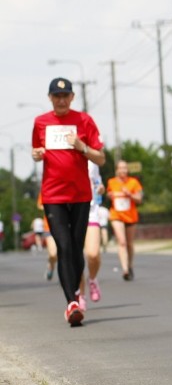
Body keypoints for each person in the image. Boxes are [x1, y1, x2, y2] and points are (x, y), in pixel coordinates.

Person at [31, 78, 106, 326]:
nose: (61, 100)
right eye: (56, 96)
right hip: (53, 195)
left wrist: (82, 146)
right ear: (50, 98)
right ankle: (71, 303)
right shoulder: (40, 122)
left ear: (72, 97)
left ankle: (75, 292)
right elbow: (36, 150)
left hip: (81, 194)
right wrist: (36, 154)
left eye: (65, 96)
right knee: (63, 246)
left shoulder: (84, 121)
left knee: (75, 247)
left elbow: (101, 159)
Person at [107, 160, 144, 281]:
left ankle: (130, 265)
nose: (123, 170)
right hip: (116, 215)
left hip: (130, 216)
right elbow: (108, 195)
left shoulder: (133, 182)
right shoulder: (111, 182)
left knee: (129, 244)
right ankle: (125, 270)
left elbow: (139, 199)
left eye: (125, 168)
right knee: (121, 242)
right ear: (116, 170)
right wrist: (110, 195)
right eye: (120, 168)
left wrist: (130, 195)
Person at [78, 160, 105, 309]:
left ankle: (92, 279)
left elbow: (96, 179)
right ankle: (81, 295)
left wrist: (100, 187)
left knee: (93, 254)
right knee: (76, 258)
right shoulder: (62, 153)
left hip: (90, 209)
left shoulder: (90, 156)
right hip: (70, 210)